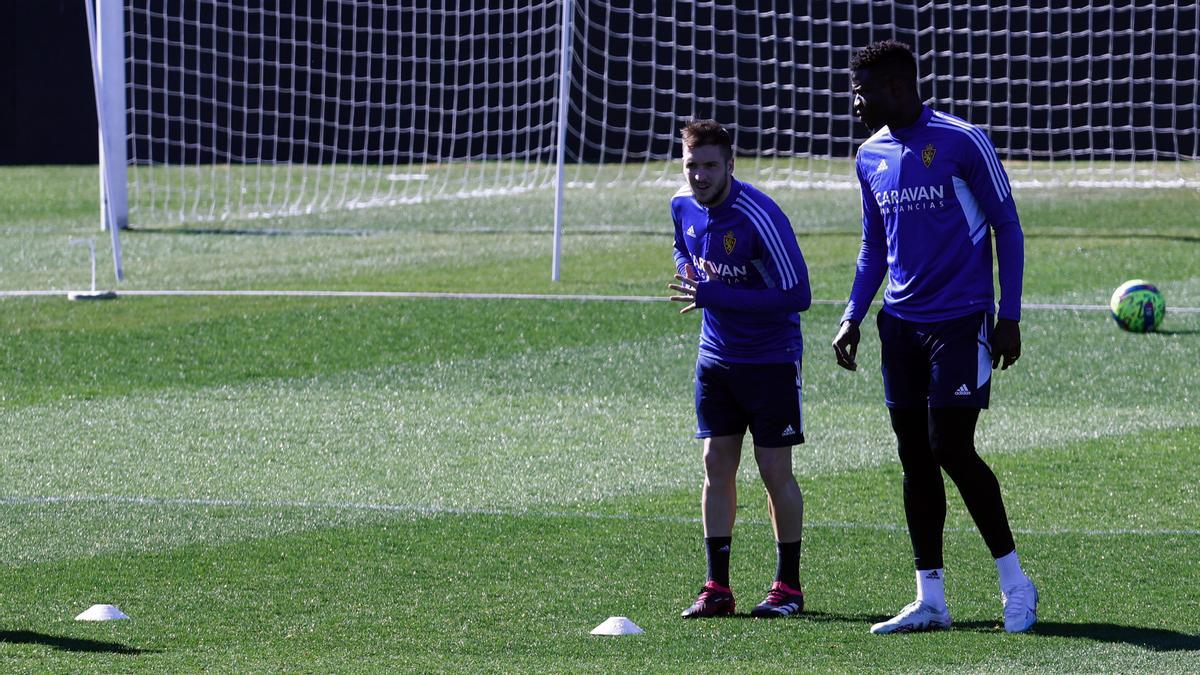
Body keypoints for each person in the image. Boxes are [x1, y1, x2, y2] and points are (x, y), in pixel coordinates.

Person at [831, 40, 1038, 634]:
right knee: (914, 456)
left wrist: (1010, 315)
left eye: (862, 90)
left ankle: (1016, 585)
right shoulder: (868, 155)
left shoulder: (960, 140)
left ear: (896, 88)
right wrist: (853, 314)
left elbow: (1006, 225)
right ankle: (931, 599)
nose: (855, 102)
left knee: (950, 446)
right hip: (899, 323)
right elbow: (875, 245)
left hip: (960, 319)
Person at [667, 119, 812, 618]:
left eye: (709, 165)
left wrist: (717, 294)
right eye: (691, 165)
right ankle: (717, 587)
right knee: (715, 465)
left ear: (730, 164)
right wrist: (688, 270)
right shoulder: (681, 206)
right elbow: (683, 247)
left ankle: (788, 587)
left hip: (770, 360)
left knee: (774, 472)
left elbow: (799, 295)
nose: (699, 176)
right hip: (716, 359)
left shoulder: (760, 216)